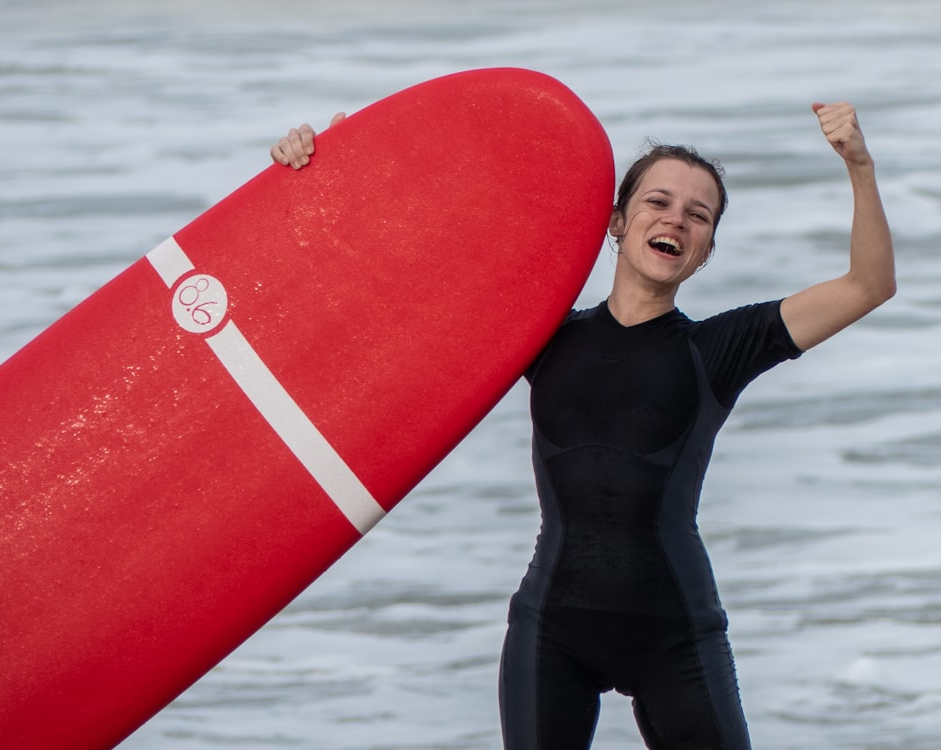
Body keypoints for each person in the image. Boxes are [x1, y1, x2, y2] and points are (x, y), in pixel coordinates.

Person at [271, 102, 895, 749]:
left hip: (676, 634)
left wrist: (859, 165)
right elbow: (411, 268)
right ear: (617, 223)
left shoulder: (717, 349)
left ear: (705, 251)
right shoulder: (541, 333)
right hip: (552, 631)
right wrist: (339, 163)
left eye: (698, 215)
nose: (675, 219)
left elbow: (869, 285)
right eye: (658, 202)